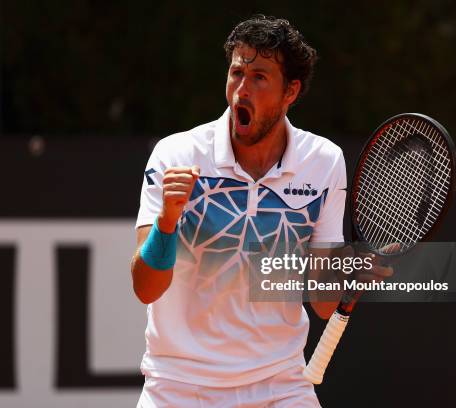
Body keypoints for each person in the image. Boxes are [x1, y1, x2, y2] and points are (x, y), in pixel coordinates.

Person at [131, 15, 391, 407]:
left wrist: (346, 271)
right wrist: (167, 222)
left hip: (280, 385)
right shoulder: (176, 155)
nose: (241, 90)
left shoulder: (323, 162)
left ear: (291, 91)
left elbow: (323, 303)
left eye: (259, 78)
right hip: (179, 386)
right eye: (237, 73)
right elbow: (145, 288)